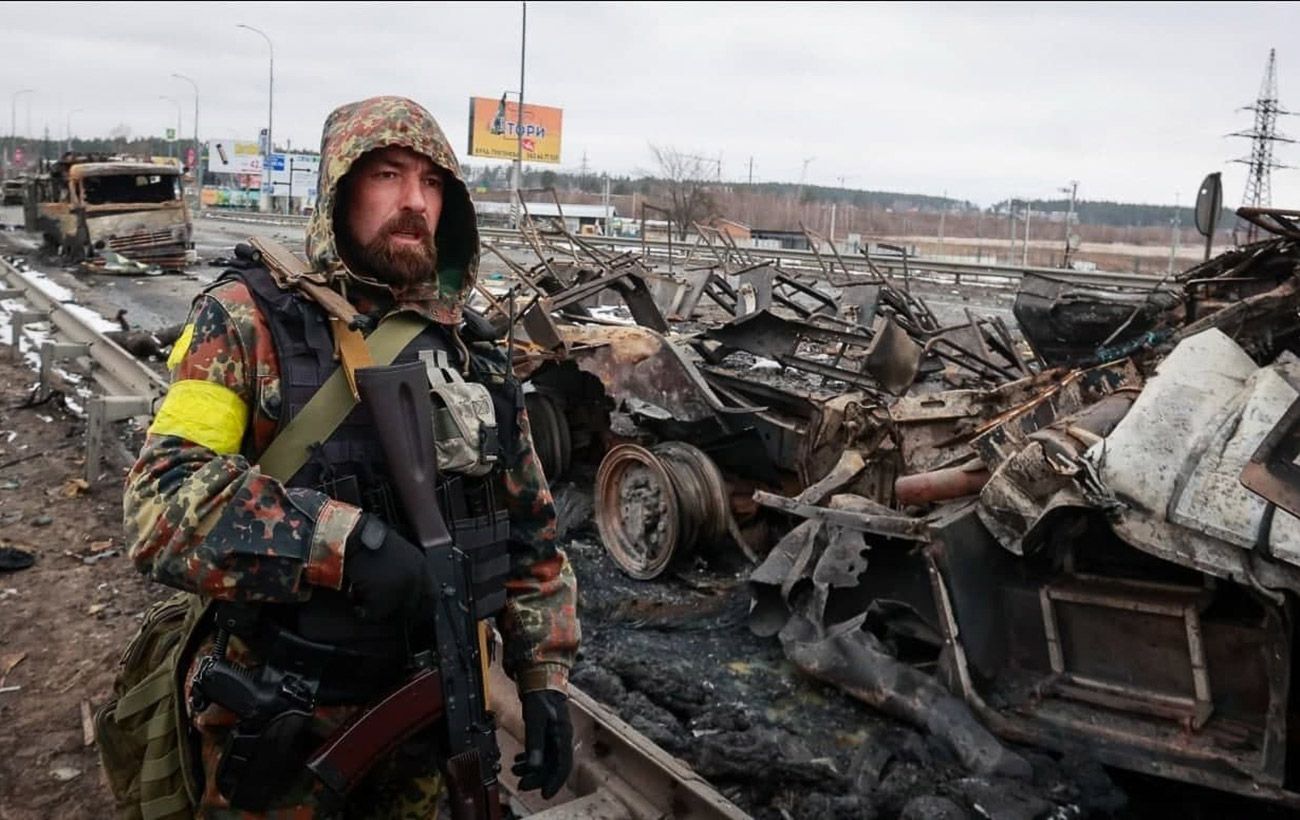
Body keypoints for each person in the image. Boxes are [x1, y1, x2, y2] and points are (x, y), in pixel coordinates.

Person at [120, 96, 579, 817]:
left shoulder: (474, 354)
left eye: (432, 184)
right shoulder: (246, 318)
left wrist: (544, 676)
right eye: (389, 175)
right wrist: (343, 542)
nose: (413, 203)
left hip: (434, 720)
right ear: (339, 186)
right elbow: (160, 504)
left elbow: (531, 532)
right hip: (288, 726)